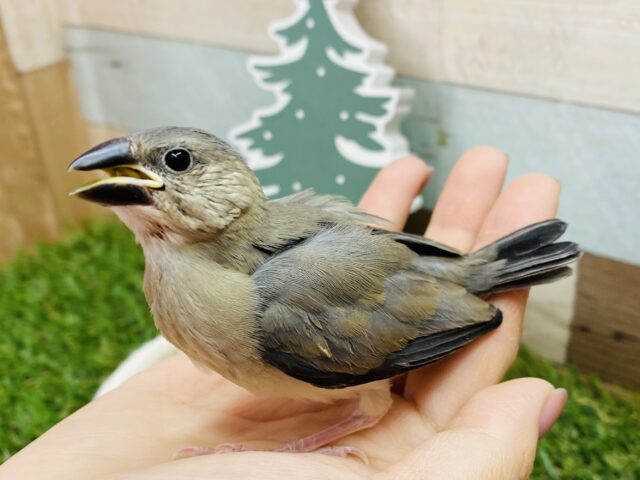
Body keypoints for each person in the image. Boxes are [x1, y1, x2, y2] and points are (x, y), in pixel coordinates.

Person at [0, 147, 567, 480]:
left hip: (428, 301)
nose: (138, 174)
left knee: (363, 397)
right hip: (399, 283)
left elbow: (375, 396)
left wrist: (290, 451)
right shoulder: (192, 284)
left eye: (176, 162)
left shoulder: (272, 307)